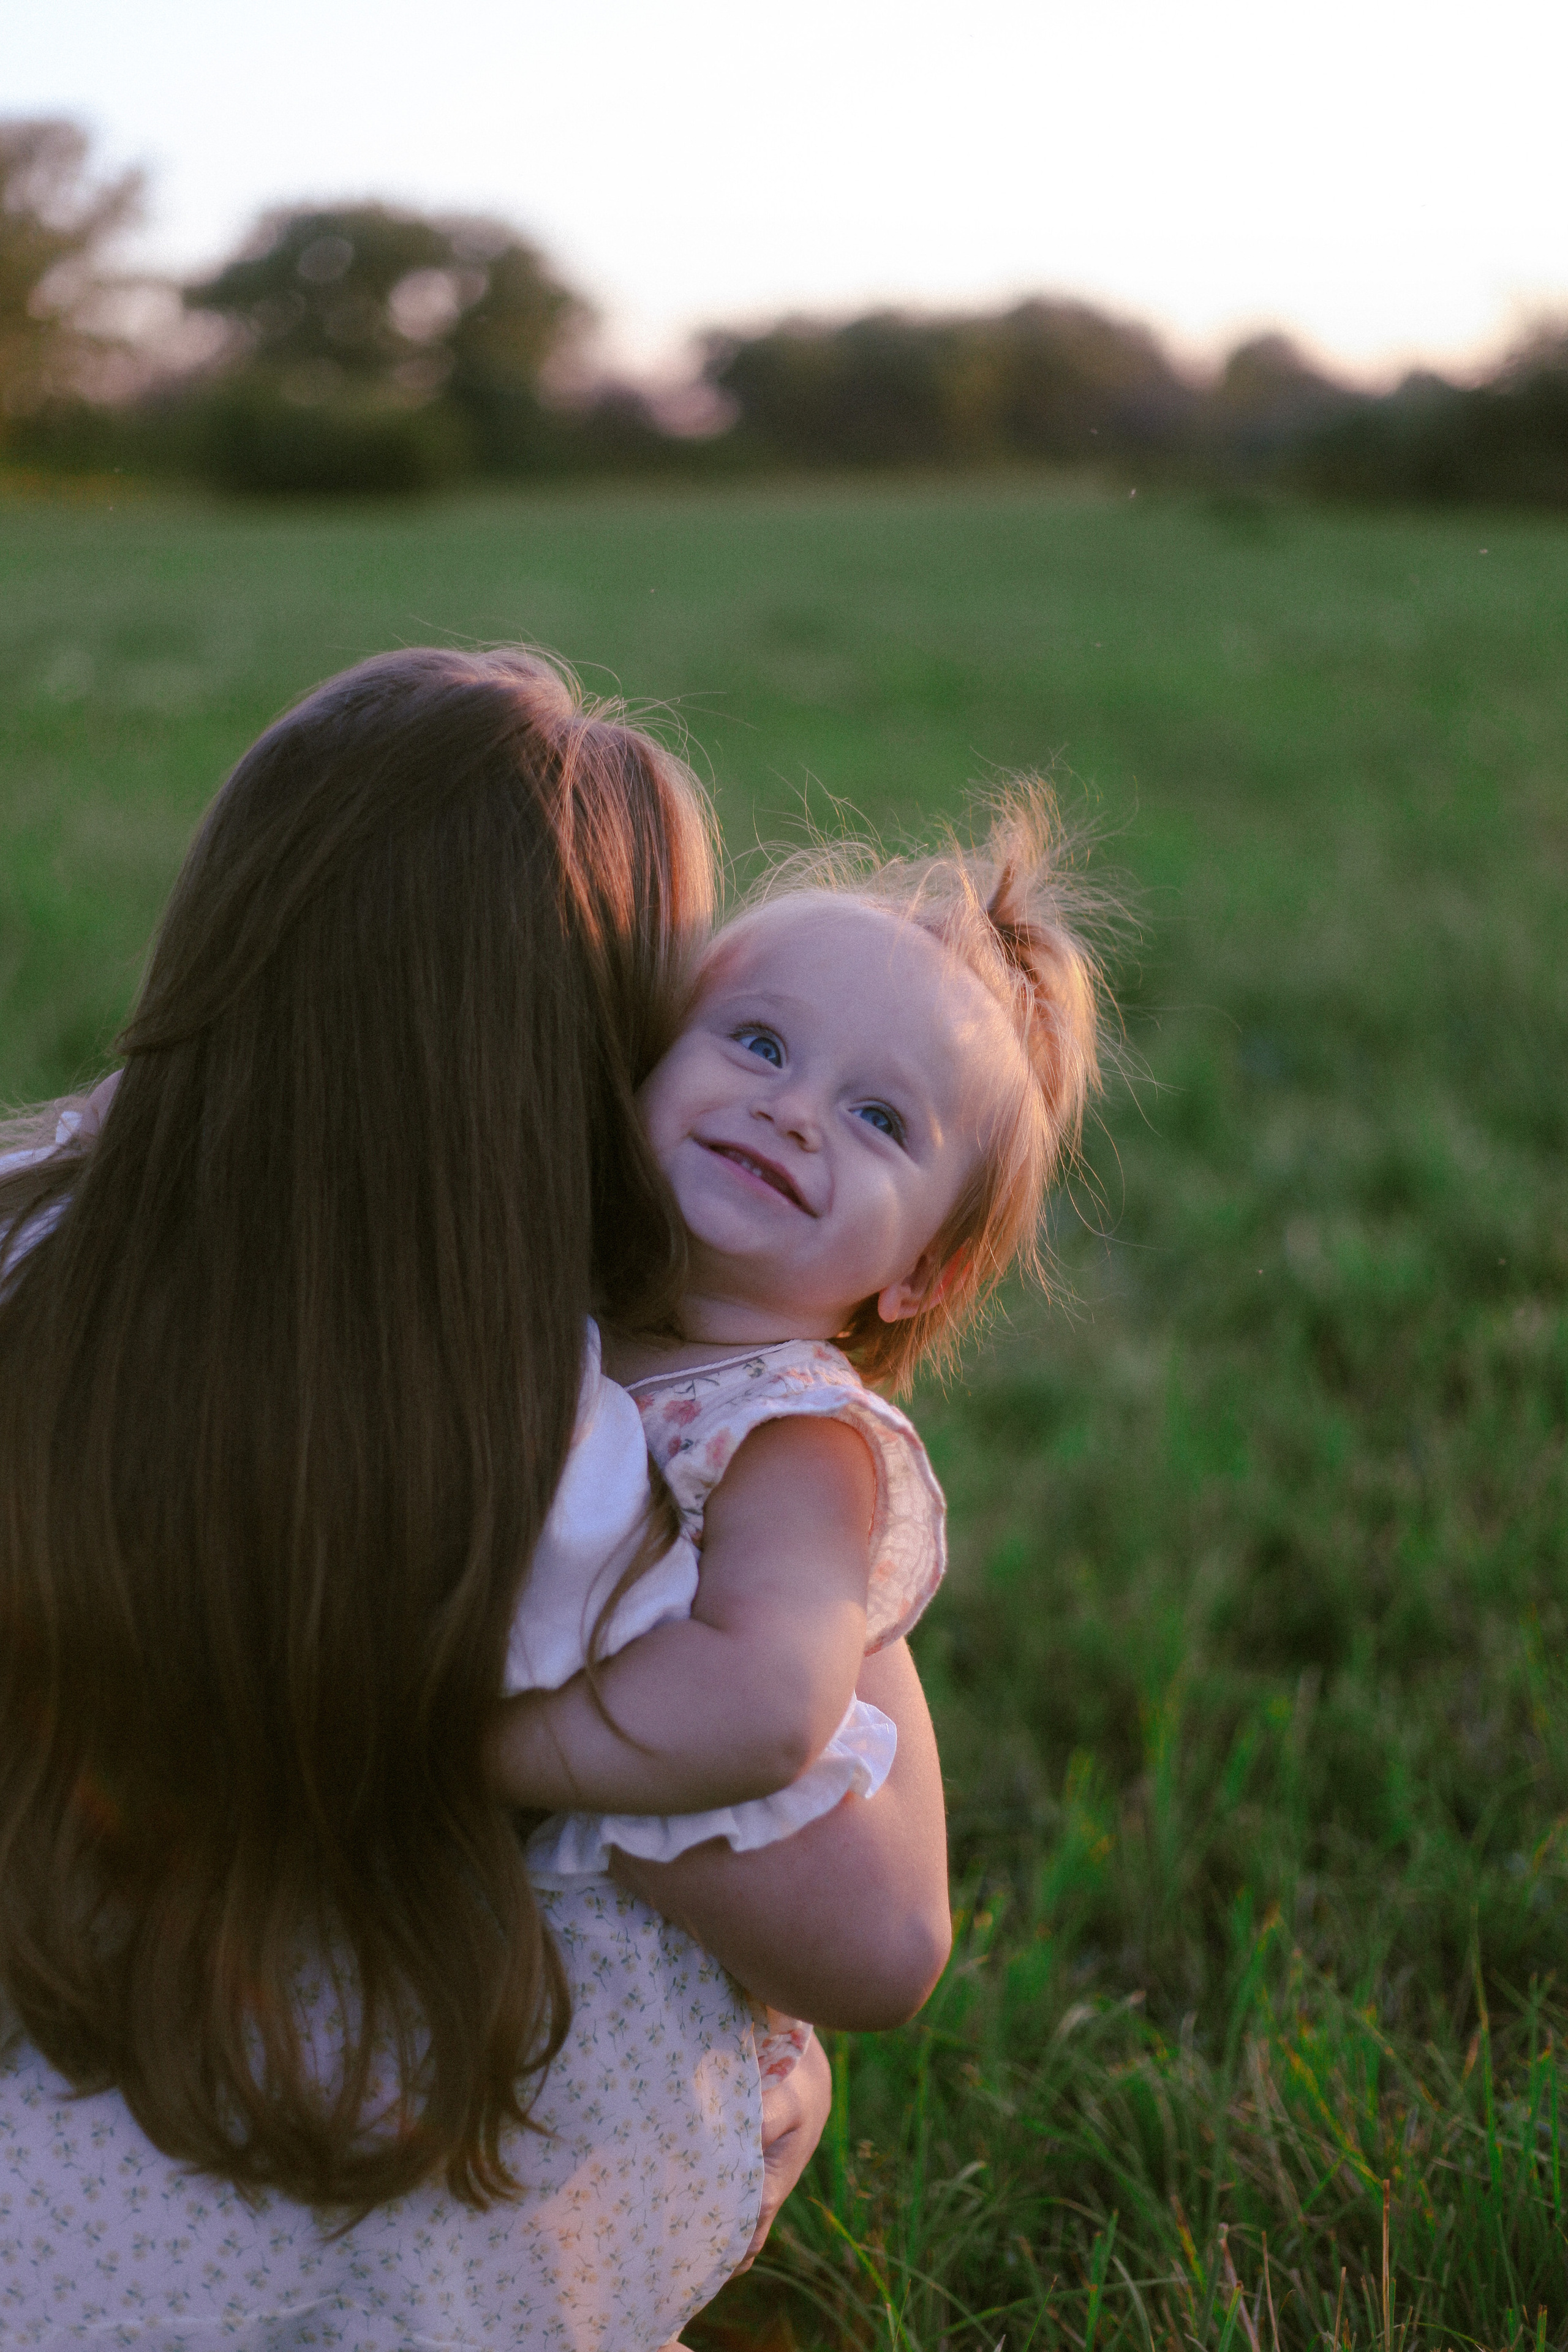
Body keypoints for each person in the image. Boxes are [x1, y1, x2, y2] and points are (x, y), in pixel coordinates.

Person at [0, 649, 949, 2351]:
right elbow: (878, 1942)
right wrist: (823, 1526)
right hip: (358, 2210)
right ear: (583, 1055)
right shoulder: (556, 1457)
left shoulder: (31, 1229)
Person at [488, 796, 1103, 2095]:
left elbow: (768, 1707)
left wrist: (474, 1749)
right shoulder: (565, 1303)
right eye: (758, 1043)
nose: (793, 1112)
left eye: (879, 1121)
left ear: (919, 1278)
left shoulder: (792, 1434)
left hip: (635, 2029)